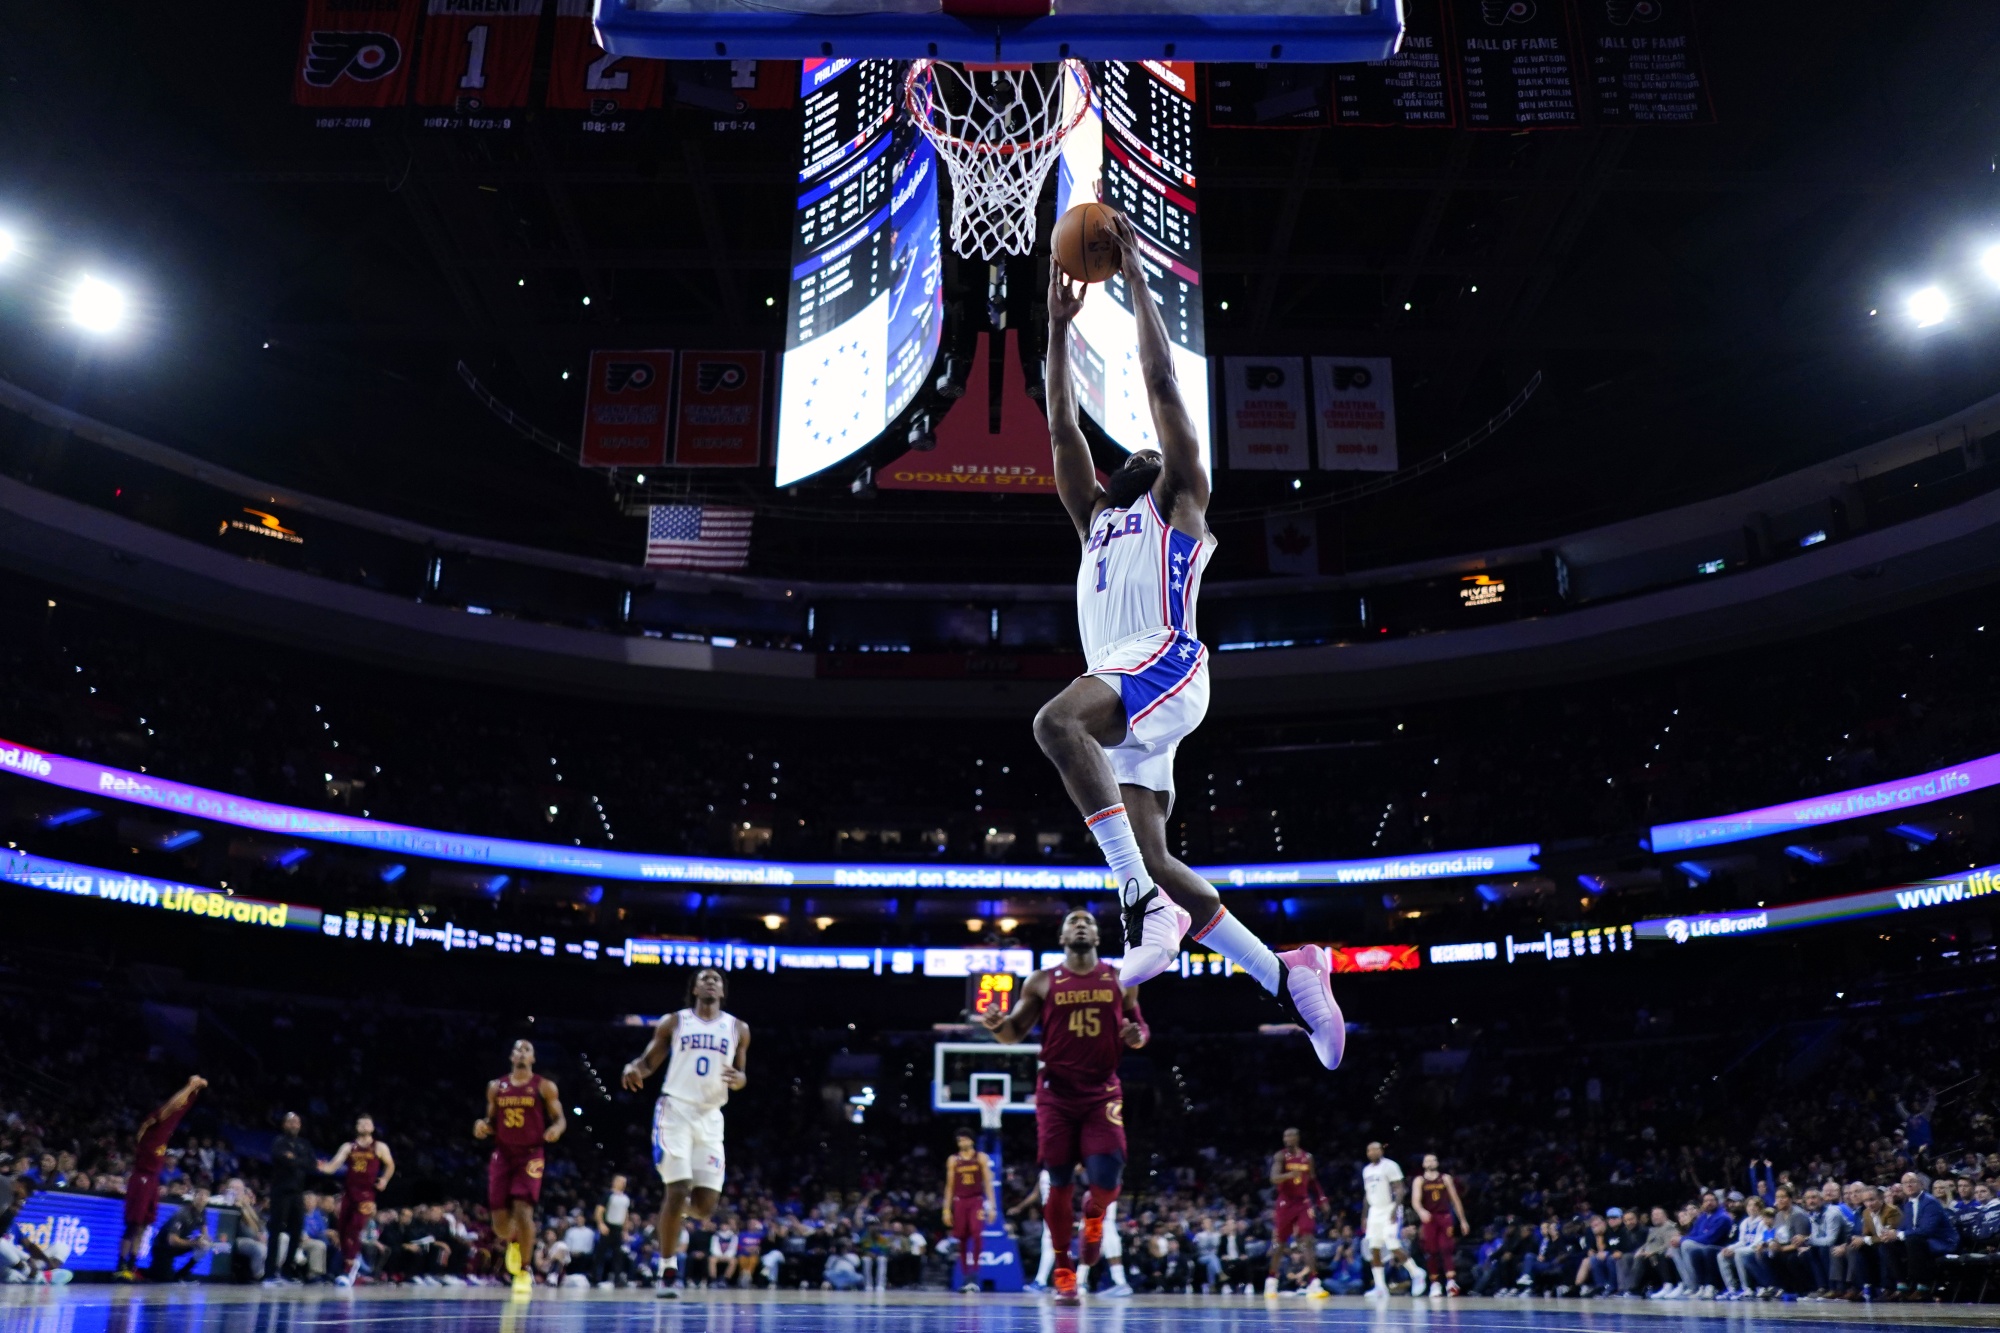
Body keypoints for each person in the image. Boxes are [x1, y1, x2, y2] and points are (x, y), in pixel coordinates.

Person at [1037, 220, 1343, 1067]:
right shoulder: (1096, 517)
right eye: (1126, 448)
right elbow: (1062, 430)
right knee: (1163, 854)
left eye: (1147, 444)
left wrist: (1136, 278)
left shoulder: (1180, 499)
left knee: (1055, 725)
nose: (1136, 446)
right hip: (1127, 690)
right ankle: (1289, 972)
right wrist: (1056, 333)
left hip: (1166, 661)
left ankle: (1135, 897)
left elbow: (1160, 378)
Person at [982, 909, 1147, 1305]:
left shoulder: (1121, 977)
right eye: (1072, 921)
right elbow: (1012, 1035)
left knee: (1107, 1181)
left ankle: (1094, 1219)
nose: (1080, 925)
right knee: (1057, 1182)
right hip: (1056, 1094)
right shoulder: (1041, 980)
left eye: (1087, 921)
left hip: (1102, 1092)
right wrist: (995, 1025)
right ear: (1061, 937)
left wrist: (1135, 1035)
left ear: (1096, 934)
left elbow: (1140, 1029)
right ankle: (1063, 1269)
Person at [622, 966, 750, 1299]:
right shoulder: (675, 1021)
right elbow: (649, 1061)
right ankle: (666, 1268)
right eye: (704, 978)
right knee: (677, 1188)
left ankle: (668, 1216)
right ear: (694, 988)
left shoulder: (738, 1027)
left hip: (710, 1116)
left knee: (705, 1207)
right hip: (675, 1110)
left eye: (716, 979)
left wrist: (740, 1080)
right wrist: (633, 1067)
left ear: (722, 991)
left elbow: (741, 1075)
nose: (711, 982)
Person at [473, 1038, 567, 1296]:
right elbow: (489, 1120)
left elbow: (560, 1119)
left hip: (530, 1155)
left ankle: (524, 1271)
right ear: (511, 1057)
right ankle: (514, 1242)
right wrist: (482, 1126)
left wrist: (556, 1130)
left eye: (527, 1050)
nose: (522, 1053)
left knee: (524, 1212)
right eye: (517, 1049)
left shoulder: (544, 1086)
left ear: (533, 1058)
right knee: (500, 1225)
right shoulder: (496, 1086)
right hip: (502, 1155)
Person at [116, 1074, 207, 1281]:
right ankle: (121, 1267)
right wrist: (190, 1085)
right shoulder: (152, 1124)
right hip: (142, 1179)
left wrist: (194, 1092)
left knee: (144, 1226)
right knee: (133, 1226)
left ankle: (131, 1266)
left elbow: (180, 1109)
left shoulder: (164, 1128)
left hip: (152, 1180)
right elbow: (172, 1107)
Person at [320, 1114, 395, 1286]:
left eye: (367, 1123)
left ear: (373, 1127)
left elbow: (390, 1165)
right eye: (360, 1123)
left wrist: (384, 1180)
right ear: (356, 1127)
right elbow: (333, 1166)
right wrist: (320, 1166)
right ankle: (351, 1261)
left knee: (355, 1229)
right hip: (349, 1193)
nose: (364, 1125)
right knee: (343, 1230)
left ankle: (349, 1269)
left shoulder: (379, 1147)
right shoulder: (348, 1147)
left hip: (366, 1194)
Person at [1266, 1127, 1328, 1297]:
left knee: (1307, 1240)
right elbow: (1273, 1178)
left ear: (1297, 1137)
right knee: (1281, 1243)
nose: (1287, 1138)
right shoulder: (1281, 1156)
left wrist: (1322, 1199)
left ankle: (1314, 1282)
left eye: (1291, 1135)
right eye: (1285, 1135)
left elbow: (1313, 1181)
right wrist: (1288, 1175)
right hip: (1285, 1202)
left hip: (1303, 1202)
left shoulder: (1308, 1158)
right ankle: (1271, 1280)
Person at [1360, 1142, 1422, 1297]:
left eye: (1376, 1149)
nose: (1373, 1152)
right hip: (1375, 1211)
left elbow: (1400, 1188)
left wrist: (1395, 1209)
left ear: (1381, 1151)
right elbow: (1367, 1195)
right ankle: (1380, 1287)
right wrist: (1364, 1216)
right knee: (1374, 1247)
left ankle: (1417, 1273)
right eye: (1370, 1149)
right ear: (1367, 1153)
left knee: (1392, 1243)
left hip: (1390, 1208)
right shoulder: (1366, 1170)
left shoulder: (1390, 1166)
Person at [942, 1128, 995, 1294]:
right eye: (959, 1141)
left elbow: (987, 1183)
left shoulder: (980, 1157)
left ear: (971, 1141)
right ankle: (966, 1278)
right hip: (960, 1201)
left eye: (964, 1140)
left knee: (977, 1234)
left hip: (976, 1200)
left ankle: (975, 1275)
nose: (961, 1143)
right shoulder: (953, 1160)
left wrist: (992, 1206)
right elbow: (949, 1186)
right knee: (962, 1239)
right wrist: (946, 1209)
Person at [1412, 1152, 1469, 1296]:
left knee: (1446, 1248)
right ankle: (1435, 1283)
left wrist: (1462, 1220)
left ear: (1437, 1163)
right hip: (1430, 1218)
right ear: (1423, 1164)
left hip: (1444, 1217)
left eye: (1433, 1160)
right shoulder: (1419, 1180)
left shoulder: (1445, 1178)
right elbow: (1415, 1201)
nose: (1430, 1162)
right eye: (1427, 1160)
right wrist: (1421, 1212)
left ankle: (1451, 1282)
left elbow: (1455, 1200)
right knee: (1431, 1251)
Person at [266, 1112, 314, 1283]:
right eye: (291, 1122)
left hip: (297, 1194)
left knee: (296, 1233)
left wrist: (295, 1159)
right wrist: (298, 1161)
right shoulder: (279, 1142)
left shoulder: (304, 1144)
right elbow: (282, 1158)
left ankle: (287, 1271)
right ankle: (270, 1273)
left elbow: (311, 1164)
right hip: (281, 1193)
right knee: (276, 1232)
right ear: (284, 1125)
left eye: (297, 1122)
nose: (294, 1124)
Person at [149, 1188, 213, 1282]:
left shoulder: (202, 1212)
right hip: (162, 1247)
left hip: (176, 1246)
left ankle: (182, 1274)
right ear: (194, 1196)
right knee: (165, 1280)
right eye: (200, 1194)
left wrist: (207, 1242)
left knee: (205, 1245)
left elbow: (205, 1234)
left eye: (205, 1195)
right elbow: (172, 1240)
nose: (202, 1197)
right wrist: (195, 1243)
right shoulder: (183, 1213)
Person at [592, 1175, 633, 1288]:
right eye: (620, 1181)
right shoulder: (608, 1195)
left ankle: (617, 1279)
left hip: (618, 1228)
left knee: (618, 1256)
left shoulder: (625, 1198)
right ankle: (596, 1278)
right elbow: (599, 1210)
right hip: (608, 1227)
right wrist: (601, 1224)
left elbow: (626, 1214)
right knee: (601, 1254)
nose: (623, 1184)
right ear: (614, 1182)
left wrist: (625, 1230)